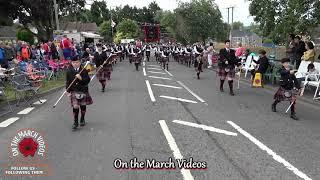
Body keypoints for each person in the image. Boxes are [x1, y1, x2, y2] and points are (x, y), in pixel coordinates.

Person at [66, 55, 93, 130]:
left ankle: (82, 118)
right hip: (74, 90)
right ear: (71, 63)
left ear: (80, 62)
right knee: (75, 106)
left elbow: (87, 81)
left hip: (83, 90)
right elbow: (68, 82)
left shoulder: (83, 70)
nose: (75, 64)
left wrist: (81, 78)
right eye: (73, 62)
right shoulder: (69, 71)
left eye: (77, 62)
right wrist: (68, 91)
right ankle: (75, 121)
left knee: (83, 106)